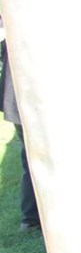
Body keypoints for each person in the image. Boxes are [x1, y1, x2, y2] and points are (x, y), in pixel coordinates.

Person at [0, 16, 41, 231]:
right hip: (29, 101)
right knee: (37, 159)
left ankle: (31, 217)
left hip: (17, 99)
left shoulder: (15, 19)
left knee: (31, 158)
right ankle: (32, 217)